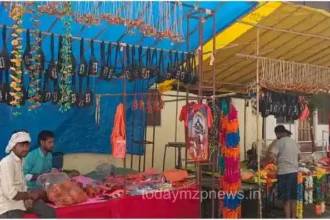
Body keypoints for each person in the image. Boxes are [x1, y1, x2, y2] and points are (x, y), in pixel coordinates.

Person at [0, 130, 56, 218]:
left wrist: (27, 198)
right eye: (21, 146)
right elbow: (11, 194)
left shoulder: (21, 160)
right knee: (17, 215)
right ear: (13, 146)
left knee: (49, 212)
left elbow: (23, 185)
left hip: (21, 200)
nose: (25, 148)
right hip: (9, 206)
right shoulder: (7, 163)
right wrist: (29, 195)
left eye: (27, 145)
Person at [267, 125, 301, 218]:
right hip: (294, 172)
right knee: (292, 198)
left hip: (284, 173)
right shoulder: (293, 141)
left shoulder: (279, 142)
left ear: (277, 133)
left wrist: (272, 160)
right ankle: (293, 217)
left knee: (286, 200)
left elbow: (271, 156)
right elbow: (299, 157)